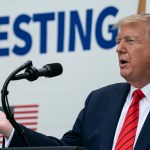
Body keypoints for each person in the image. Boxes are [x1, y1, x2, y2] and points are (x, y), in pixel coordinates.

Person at [0, 13, 150, 150]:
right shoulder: (100, 100)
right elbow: (66, 148)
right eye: (118, 41)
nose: (119, 48)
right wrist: (9, 128)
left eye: (130, 41)